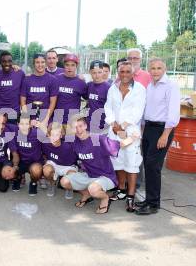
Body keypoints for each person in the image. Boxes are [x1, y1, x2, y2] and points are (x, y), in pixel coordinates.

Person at [136, 58, 180, 215]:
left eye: (158, 68)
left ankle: (153, 204)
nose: (155, 71)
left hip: (162, 130)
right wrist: (142, 129)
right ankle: (149, 199)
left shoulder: (171, 86)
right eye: (152, 68)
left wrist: (165, 135)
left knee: (153, 166)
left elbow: (173, 113)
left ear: (165, 69)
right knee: (148, 164)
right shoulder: (150, 86)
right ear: (149, 70)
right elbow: (146, 108)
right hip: (148, 128)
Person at [104, 61, 146, 212]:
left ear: (133, 73)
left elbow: (137, 111)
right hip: (114, 131)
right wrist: (113, 123)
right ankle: (121, 190)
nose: (125, 75)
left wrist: (122, 126)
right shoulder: (112, 88)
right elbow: (108, 107)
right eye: (122, 72)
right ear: (118, 72)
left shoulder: (140, 89)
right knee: (118, 162)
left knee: (132, 164)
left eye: (128, 72)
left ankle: (130, 196)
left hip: (130, 133)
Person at [61, 116, 120, 214]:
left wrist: (132, 138)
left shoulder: (98, 139)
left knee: (93, 189)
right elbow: (56, 132)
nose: (78, 130)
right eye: (75, 127)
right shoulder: (74, 140)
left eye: (80, 126)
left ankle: (105, 198)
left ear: (85, 126)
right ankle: (86, 194)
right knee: (64, 181)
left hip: (106, 176)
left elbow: (118, 144)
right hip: (89, 175)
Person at [7, 114, 43, 196]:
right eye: (21, 124)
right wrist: (15, 167)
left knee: (36, 170)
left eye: (26, 124)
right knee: (11, 167)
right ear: (17, 124)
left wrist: (41, 126)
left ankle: (33, 183)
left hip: (34, 162)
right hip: (21, 161)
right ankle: (17, 179)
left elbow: (49, 136)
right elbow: (1, 123)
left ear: (30, 124)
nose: (24, 126)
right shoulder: (14, 132)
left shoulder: (37, 133)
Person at [41, 122, 78, 199]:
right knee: (46, 170)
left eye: (57, 135)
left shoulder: (68, 147)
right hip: (54, 164)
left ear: (61, 135)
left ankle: (69, 188)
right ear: (48, 135)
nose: (54, 137)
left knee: (72, 175)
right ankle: (52, 183)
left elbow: (74, 161)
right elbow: (44, 155)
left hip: (67, 166)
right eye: (52, 135)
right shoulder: (45, 144)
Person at [20, 53, 58, 125]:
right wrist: (27, 118)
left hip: (46, 119)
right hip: (30, 120)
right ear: (33, 64)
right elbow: (23, 100)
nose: (40, 65)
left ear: (46, 63)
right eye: (37, 62)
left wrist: (46, 120)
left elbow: (53, 102)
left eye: (42, 62)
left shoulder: (52, 80)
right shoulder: (27, 80)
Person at [0, 51, 25, 124]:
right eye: (4, 61)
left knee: (12, 134)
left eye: (9, 61)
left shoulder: (19, 73)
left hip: (14, 113)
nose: (7, 64)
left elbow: (24, 91)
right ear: (0, 62)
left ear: (12, 62)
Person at [54, 54, 87, 125]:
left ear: (76, 66)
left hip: (72, 122)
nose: (70, 68)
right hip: (57, 120)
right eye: (67, 65)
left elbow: (89, 99)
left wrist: (83, 115)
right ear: (64, 66)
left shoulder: (81, 82)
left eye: (72, 65)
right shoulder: (56, 79)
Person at [86, 60, 111, 134]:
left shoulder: (109, 88)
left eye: (99, 72)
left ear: (103, 72)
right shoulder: (88, 85)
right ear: (90, 72)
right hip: (89, 125)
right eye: (94, 73)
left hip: (103, 127)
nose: (97, 75)